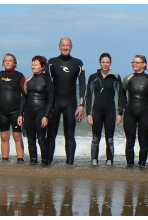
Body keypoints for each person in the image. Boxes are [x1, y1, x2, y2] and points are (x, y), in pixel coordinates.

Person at [45, 37, 86, 165]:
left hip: (70, 104)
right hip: (55, 104)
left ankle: (70, 164)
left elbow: (82, 85)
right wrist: (46, 105)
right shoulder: (52, 62)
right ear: (59, 46)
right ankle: (47, 163)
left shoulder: (78, 63)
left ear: (71, 47)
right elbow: (46, 84)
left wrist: (81, 106)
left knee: (70, 136)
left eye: (67, 45)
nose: (65, 47)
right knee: (51, 136)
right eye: (63, 45)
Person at [84, 53, 124, 166]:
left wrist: (120, 113)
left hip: (110, 112)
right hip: (96, 111)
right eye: (103, 62)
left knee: (110, 139)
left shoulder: (115, 76)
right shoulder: (93, 77)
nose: (105, 64)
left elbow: (121, 95)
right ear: (99, 63)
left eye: (107, 62)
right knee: (95, 139)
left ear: (110, 63)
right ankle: (94, 160)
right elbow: (89, 95)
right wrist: (88, 113)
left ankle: (109, 160)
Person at [121, 55, 148, 167]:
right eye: (133, 62)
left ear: (144, 64)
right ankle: (130, 166)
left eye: (137, 62)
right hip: (129, 113)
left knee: (143, 141)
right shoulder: (128, 77)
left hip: (144, 113)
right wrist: (124, 105)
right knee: (130, 141)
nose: (135, 64)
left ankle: (142, 166)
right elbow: (122, 93)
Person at [17, 55, 54, 165]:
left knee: (41, 139)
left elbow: (51, 100)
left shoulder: (46, 79)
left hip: (41, 112)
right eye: (32, 64)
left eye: (36, 64)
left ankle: (45, 163)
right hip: (29, 112)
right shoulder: (29, 79)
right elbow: (24, 98)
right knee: (30, 139)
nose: (33, 66)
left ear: (42, 66)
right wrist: (20, 114)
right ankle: (33, 162)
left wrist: (46, 116)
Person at [0, 54, 26, 163]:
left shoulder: (19, 76)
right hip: (2, 113)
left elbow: (25, 95)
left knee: (17, 137)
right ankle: (5, 160)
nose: (8, 62)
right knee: (4, 137)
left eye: (10, 61)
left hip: (15, 112)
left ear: (14, 63)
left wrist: (21, 113)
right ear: (3, 62)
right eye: (6, 61)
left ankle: (20, 159)